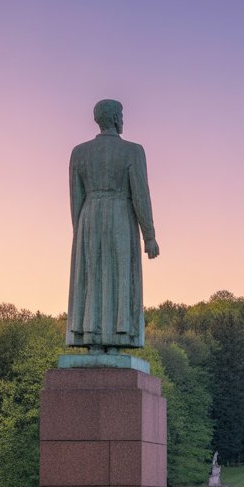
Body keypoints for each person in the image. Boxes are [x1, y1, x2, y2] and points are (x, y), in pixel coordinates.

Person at [66, 99, 159, 351]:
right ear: (116, 119)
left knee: (92, 275)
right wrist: (149, 235)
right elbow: (141, 195)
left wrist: (80, 231)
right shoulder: (133, 151)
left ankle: (91, 337)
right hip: (120, 216)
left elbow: (75, 198)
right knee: (120, 274)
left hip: (88, 218)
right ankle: (118, 337)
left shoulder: (79, 152)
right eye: (122, 115)